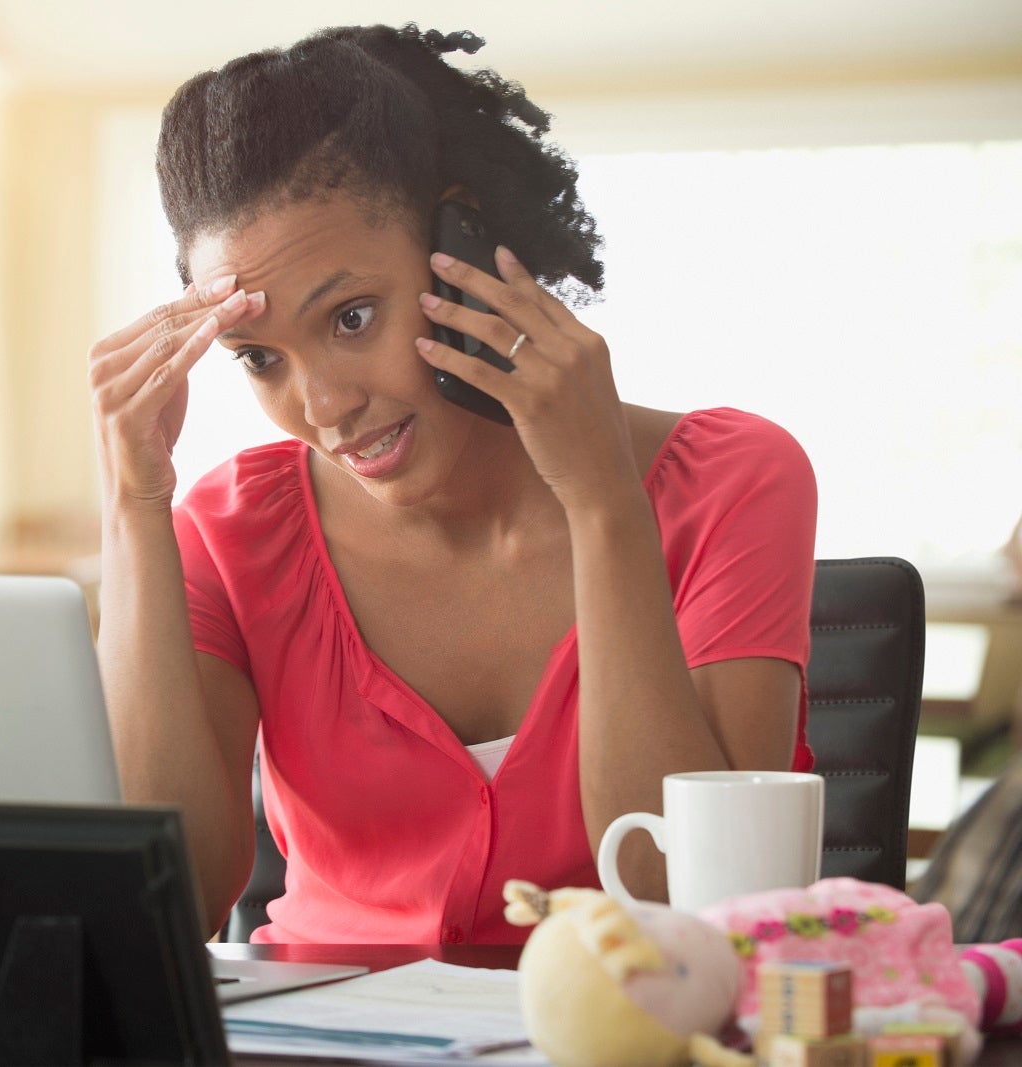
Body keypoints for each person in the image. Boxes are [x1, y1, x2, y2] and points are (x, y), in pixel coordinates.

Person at [89, 23, 817, 944]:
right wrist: (134, 505)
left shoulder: (732, 481)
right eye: (259, 358)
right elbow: (168, 909)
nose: (321, 405)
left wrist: (602, 505)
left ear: (460, 250)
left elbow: (694, 912)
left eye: (352, 317)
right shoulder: (226, 533)